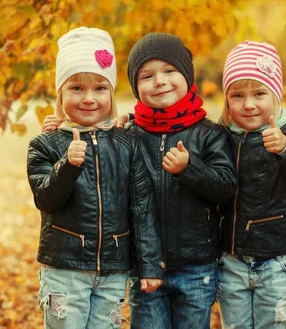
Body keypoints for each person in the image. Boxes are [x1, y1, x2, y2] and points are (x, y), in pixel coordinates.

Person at [43, 32, 237, 329]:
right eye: (147, 75)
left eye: (170, 71)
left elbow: (225, 188)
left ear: (187, 75)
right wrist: (62, 128)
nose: (160, 81)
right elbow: (95, 142)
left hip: (196, 265)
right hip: (143, 267)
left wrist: (190, 169)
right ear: (135, 86)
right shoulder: (128, 135)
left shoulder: (209, 134)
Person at [27, 27, 164, 329]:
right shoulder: (46, 144)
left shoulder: (126, 143)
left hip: (113, 271)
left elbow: (141, 208)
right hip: (66, 268)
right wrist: (68, 165)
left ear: (111, 93)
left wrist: (150, 265)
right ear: (61, 93)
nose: (89, 98)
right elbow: (45, 198)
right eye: (76, 88)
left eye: (100, 88)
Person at [216, 40, 286, 329]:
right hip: (232, 262)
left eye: (259, 93)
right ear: (227, 100)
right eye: (237, 95)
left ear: (275, 95)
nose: (249, 104)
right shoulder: (220, 136)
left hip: (278, 262)